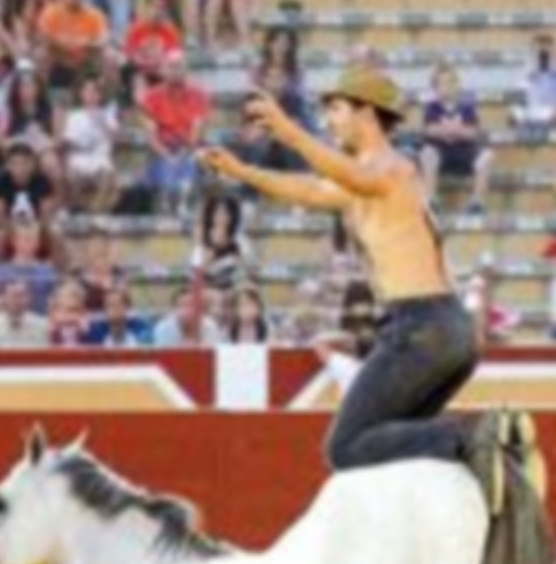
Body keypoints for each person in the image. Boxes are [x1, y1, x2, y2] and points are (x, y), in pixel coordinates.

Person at [199, 64, 516, 504]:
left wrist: (289, 131)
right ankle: (465, 470)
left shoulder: (390, 166)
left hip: (422, 327)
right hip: (443, 328)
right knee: (397, 446)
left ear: (366, 113)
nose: (328, 120)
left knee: (345, 446)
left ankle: (480, 435)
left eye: (336, 109)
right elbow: (309, 190)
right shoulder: (373, 175)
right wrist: (242, 171)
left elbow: (349, 178)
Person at [140, 48, 210, 213]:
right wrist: (167, 155)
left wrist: (184, 152)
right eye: (171, 66)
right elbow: (151, 135)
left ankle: (184, 202)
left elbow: (197, 130)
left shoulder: (199, 94)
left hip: (190, 146)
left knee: (193, 161)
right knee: (165, 166)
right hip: (162, 148)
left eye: (179, 66)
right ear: (163, 70)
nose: (175, 71)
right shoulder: (151, 96)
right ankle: (168, 199)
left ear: (186, 70)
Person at [419, 63, 493, 215]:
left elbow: (473, 132)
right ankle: (431, 198)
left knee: (486, 156)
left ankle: (477, 202)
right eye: (441, 84)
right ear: (435, 87)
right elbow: (429, 130)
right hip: (441, 151)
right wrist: (455, 130)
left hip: (464, 152)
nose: (447, 87)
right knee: (427, 153)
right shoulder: (432, 106)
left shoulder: (467, 106)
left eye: (451, 82)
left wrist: (452, 130)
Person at [37, 0, 117, 92]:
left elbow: (103, 39)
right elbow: (44, 38)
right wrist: (66, 47)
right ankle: (43, 97)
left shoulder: (95, 14)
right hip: (59, 57)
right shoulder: (51, 12)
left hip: (86, 58)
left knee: (110, 55)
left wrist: (82, 44)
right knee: (41, 54)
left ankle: (108, 97)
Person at [61, 76, 119, 212]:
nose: (91, 95)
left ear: (99, 95)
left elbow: (116, 137)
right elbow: (68, 142)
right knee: (72, 176)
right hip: (79, 157)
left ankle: (96, 212)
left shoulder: (107, 114)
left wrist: (103, 123)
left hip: (100, 158)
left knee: (107, 176)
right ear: (81, 94)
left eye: (94, 92)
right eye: (87, 91)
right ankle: (77, 210)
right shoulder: (74, 116)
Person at [123, 0, 183, 103]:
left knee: (173, 71)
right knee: (136, 76)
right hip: (141, 70)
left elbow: (176, 54)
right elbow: (129, 53)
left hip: (162, 70)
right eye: (154, 6)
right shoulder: (136, 29)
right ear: (147, 7)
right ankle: (142, 105)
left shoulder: (170, 31)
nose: (157, 11)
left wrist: (160, 64)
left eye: (161, 7)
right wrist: (144, 63)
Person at [0, 279, 49, 348]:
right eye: (14, 296)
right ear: (4, 298)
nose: (18, 301)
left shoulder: (42, 325)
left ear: (30, 298)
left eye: (23, 295)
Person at [510, 33, 556, 128]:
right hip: (527, 125)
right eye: (540, 51)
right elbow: (516, 105)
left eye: (547, 51)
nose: (543, 54)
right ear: (533, 53)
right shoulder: (522, 74)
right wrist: (520, 119)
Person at [152, 285, 222, 346]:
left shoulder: (210, 325)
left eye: (193, 305)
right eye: (183, 305)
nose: (188, 310)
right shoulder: (164, 328)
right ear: (174, 309)